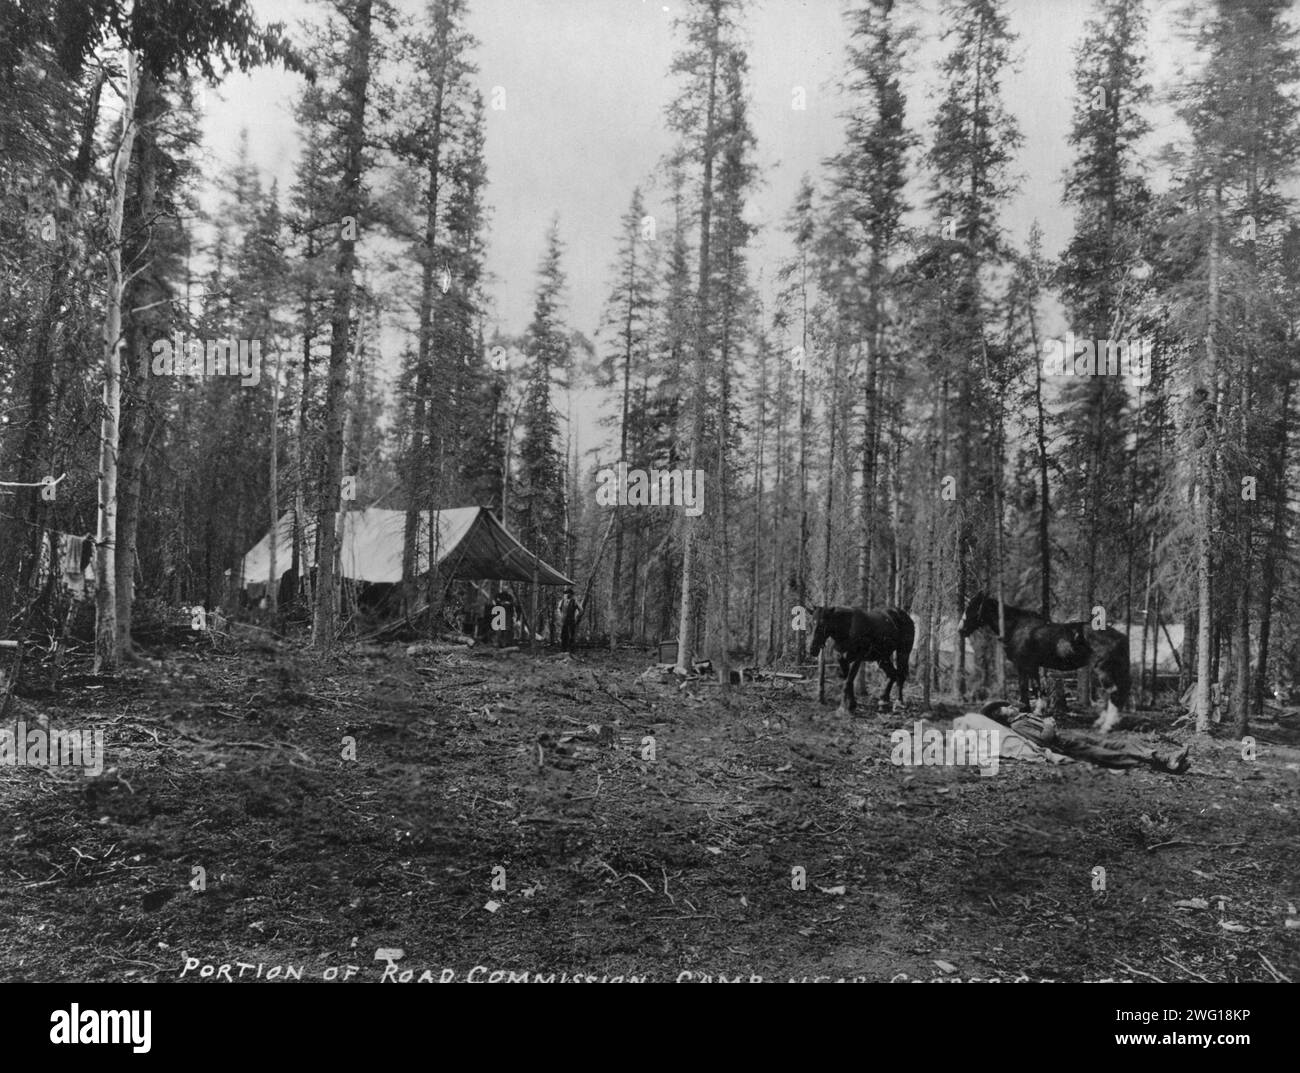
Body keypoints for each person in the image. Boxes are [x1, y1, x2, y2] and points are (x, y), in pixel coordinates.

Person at [983, 700, 1190, 774]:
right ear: (1000, 716)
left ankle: (1167, 762)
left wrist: (1046, 719)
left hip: (1072, 737)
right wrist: (1048, 725)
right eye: (1004, 707)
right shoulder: (1018, 724)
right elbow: (1043, 740)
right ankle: (1166, 762)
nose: (1009, 706)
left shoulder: (1022, 716)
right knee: (1111, 754)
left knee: (1117, 743)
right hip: (1066, 746)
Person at [557, 587, 579, 653]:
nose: (567, 595)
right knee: (563, 635)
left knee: (572, 636)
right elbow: (558, 609)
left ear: (571, 594)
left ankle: (572, 651)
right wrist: (561, 616)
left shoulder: (575, 601)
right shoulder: (562, 601)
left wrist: (576, 616)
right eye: (566, 594)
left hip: (572, 621)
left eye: (568, 594)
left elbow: (580, 609)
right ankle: (563, 650)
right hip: (564, 621)